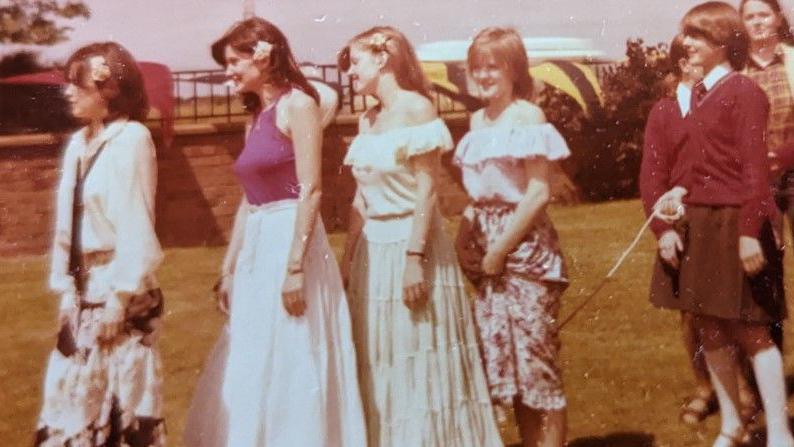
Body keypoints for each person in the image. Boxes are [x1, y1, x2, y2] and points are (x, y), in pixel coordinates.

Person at [183, 17, 366, 446]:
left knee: (292, 349)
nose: (227, 71)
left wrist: (295, 267)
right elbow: (250, 199)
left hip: (291, 237)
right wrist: (229, 267)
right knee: (254, 350)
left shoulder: (297, 105)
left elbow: (312, 188)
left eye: (234, 61)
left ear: (262, 58)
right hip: (259, 243)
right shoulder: (257, 117)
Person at [338, 25, 503, 447]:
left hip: (413, 247)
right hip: (372, 256)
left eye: (355, 62)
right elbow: (362, 197)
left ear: (382, 59)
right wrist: (347, 258)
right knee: (381, 359)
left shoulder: (417, 110)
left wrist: (413, 257)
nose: (350, 72)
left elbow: (428, 191)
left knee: (420, 356)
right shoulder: (367, 118)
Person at [655, 3, 793, 446]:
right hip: (699, 223)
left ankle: (778, 432)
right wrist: (677, 197)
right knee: (710, 328)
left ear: (722, 42)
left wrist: (751, 232)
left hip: (737, 224)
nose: (688, 44)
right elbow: (692, 164)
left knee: (753, 331)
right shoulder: (693, 96)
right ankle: (732, 425)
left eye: (696, 36)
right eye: (687, 36)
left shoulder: (745, 92)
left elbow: (755, 172)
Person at [35, 42, 166, 446]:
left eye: (78, 84)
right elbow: (67, 225)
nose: (68, 92)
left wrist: (120, 298)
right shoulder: (78, 144)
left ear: (108, 89)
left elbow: (135, 221)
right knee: (71, 405)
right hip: (82, 293)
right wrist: (66, 291)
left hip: (116, 293)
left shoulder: (131, 139)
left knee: (118, 405)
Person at [453, 27, 570, 447]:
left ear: (514, 70)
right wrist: (469, 231)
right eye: (478, 67)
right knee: (506, 364)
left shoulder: (527, 117)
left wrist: (501, 249)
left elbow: (538, 192)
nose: (484, 75)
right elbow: (482, 190)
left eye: (494, 66)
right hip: (488, 249)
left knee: (537, 361)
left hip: (524, 250)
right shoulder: (476, 121)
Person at [640, 34, 717, 426]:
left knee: (733, 309)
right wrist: (662, 230)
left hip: (722, 218)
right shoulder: (664, 112)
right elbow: (652, 177)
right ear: (680, 65)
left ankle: (744, 390)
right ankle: (705, 388)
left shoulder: (727, 100)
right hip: (680, 222)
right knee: (690, 313)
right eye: (687, 58)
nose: (695, 64)